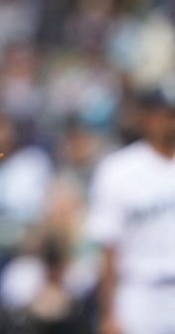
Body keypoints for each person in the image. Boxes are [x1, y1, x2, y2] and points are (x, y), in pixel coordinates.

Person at [86, 80, 175, 334]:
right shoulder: (118, 170)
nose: (170, 122)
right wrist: (107, 314)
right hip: (138, 291)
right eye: (164, 114)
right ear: (146, 118)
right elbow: (107, 250)